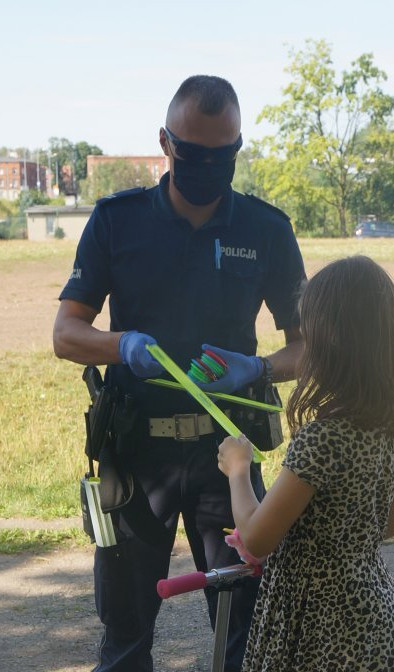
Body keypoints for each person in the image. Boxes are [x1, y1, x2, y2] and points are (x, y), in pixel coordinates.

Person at [53, 75, 306, 672]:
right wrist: (121, 346)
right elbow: (66, 334)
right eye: (194, 155)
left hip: (230, 460)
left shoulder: (266, 230)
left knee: (248, 624)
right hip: (137, 458)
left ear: (239, 149)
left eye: (225, 156)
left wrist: (258, 366)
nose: (209, 167)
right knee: (125, 626)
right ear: (165, 144)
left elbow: (314, 349)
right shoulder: (118, 221)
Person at [217, 255, 394, 672]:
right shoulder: (390, 420)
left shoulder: (322, 437)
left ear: (329, 342)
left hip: (321, 633)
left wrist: (238, 471)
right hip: (381, 627)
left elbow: (257, 539)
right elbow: (393, 520)